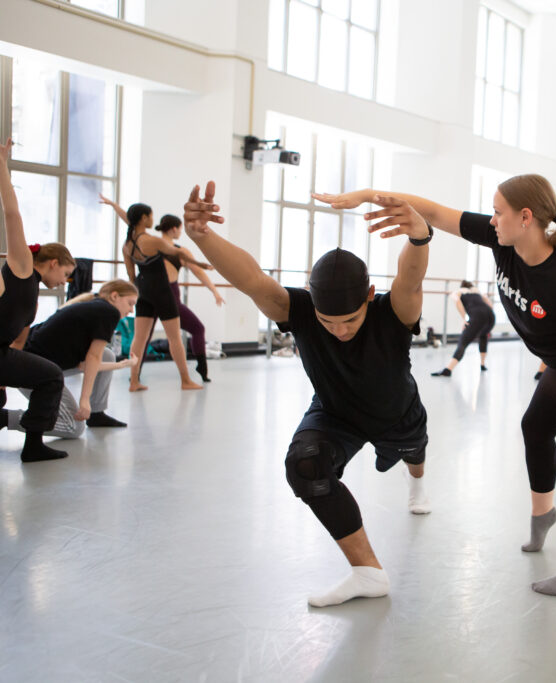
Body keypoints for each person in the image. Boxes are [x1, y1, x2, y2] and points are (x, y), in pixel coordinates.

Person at [315, 174, 556, 597]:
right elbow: (431, 212)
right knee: (535, 427)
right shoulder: (501, 240)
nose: (492, 219)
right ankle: (543, 515)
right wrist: (366, 196)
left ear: (525, 218)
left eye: (498, 211)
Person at [183, 181, 433, 607]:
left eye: (350, 321)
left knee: (414, 457)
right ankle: (368, 573)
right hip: (336, 413)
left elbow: (410, 278)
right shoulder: (295, 309)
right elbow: (251, 279)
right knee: (305, 467)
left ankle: (418, 484)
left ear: (369, 298)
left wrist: (419, 235)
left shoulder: (393, 311)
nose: (339, 330)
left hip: (398, 413)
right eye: (327, 321)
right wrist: (201, 235)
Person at [0, 138, 76, 462]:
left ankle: (32, 445)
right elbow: (13, 214)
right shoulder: (21, 266)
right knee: (51, 375)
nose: (65, 282)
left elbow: (16, 344)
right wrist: (2, 165)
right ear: (53, 263)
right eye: (66, 274)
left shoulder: (33, 293)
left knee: (44, 376)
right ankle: (32, 446)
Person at [8, 280, 139, 439]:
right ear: (115, 296)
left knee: (108, 354)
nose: (131, 310)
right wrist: (84, 400)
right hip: (32, 370)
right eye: (130, 303)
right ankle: (5, 417)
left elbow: (85, 364)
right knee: (74, 427)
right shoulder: (109, 312)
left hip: (33, 361)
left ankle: (97, 414)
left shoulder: (95, 307)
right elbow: (93, 357)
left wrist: (120, 365)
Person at [107, 194, 209, 392]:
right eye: (151, 216)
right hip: (162, 292)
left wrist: (135, 294)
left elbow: (130, 275)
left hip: (142, 292)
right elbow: (177, 253)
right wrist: (199, 264)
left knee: (139, 338)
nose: (153, 219)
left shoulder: (127, 246)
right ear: (144, 218)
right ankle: (185, 380)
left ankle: (134, 381)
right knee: (175, 338)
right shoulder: (151, 241)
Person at [155, 213, 224, 381]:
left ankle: (134, 377)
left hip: (149, 296)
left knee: (142, 338)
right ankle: (202, 368)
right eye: (179, 228)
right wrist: (214, 291)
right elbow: (199, 272)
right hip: (170, 298)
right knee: (197, 329)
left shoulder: (150, 246)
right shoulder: (179, 251)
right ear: (174, 229)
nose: (180, 231)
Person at [431, 280, 495, 376]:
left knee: (463, 342)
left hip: (477, 316)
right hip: (491, 316)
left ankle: (448, 370)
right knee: (483, 335)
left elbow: (457, 301)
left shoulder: (458, 292)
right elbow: (489, 303)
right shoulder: (477, 291)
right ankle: (482, 365)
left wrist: (464, 318)